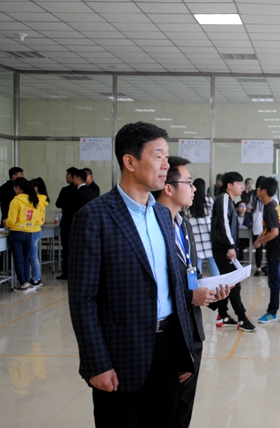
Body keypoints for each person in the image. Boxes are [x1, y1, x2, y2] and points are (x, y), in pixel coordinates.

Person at [67, 121, 196, 428]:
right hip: (120, 353)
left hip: (167, 350)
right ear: (130, 161)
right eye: (158, 156)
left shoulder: (162, 215)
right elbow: (83, 299)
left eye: (166, 157)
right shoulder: (94, 217)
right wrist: (97, 363)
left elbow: (172, 285)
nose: (166, 165)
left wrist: (183, 350)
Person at [153, 156, 230, 428]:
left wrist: (208, 293)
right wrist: (189, 296)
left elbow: (189, 273)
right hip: (168, 338)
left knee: (183, 410)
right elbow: (151, 286)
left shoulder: (183, 225)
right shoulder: (152, 228)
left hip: (191, 332)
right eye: (188, 182)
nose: (195, 188)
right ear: (168, 188)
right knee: (165, 411)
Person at [211, 171, 256, 332]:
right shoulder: (223, 198)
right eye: (239, 183)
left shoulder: (229, 201)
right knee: (234, 284)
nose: (242, 187)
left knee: (228, 282)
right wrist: (230, 246)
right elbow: (223, 223)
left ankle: (222, 315)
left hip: (226, 247)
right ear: (229, 185)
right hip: (223, 248)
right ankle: (242, 318)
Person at [254, 177, 280, 324]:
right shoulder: (273, 205)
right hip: (278, 248)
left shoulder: (270, 208)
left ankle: (272, 312)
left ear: (264, 191)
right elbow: (268, 228)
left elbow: (274, 232)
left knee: (273, 281)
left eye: (258, 188)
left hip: (276, 249)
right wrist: (260, 237)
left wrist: (259, 241)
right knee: (276, 278)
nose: (256, 190)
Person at [7, 177, 45, 292]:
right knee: (25, 259)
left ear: (18, 188)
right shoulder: (33, 199)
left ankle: (23, 283)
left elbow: (11, 221)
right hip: (29, 232)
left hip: (17, 233)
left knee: (18, 259)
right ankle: (27, 282)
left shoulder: (16, 201)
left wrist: (6, 222)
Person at [184, 178, 220, 277]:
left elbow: (186, 217)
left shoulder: (189, 201)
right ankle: (216, 283)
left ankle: (198, 283)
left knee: (197, 262)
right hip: (208, 236)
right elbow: (213, 217)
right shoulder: (209, 201)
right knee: (212, 260)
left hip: (195, 237)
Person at [55, 166, 79, 280]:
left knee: (66, 249)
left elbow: (58, 203)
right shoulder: (82, 191)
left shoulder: (65, 190)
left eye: (67, 175)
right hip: (78, 224)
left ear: (72, 176)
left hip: (67, 223)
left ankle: (66, 272)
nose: (66, 177)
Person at [28, 177, 50, 288]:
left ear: (35, 188)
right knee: (34, 256)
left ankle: (35, 278)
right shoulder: (43, 199)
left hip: (32, 229)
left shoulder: (36, 200)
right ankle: (37, 277)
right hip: (37, 229)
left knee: (32, 256)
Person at [247, 175, 267, 276]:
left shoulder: (254, 196)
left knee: (258, 247)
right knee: (268, 247)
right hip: (267, 224)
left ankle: (258, 268)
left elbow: (248, 209)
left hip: (257, 224)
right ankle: (267, 266)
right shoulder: (269, 195)